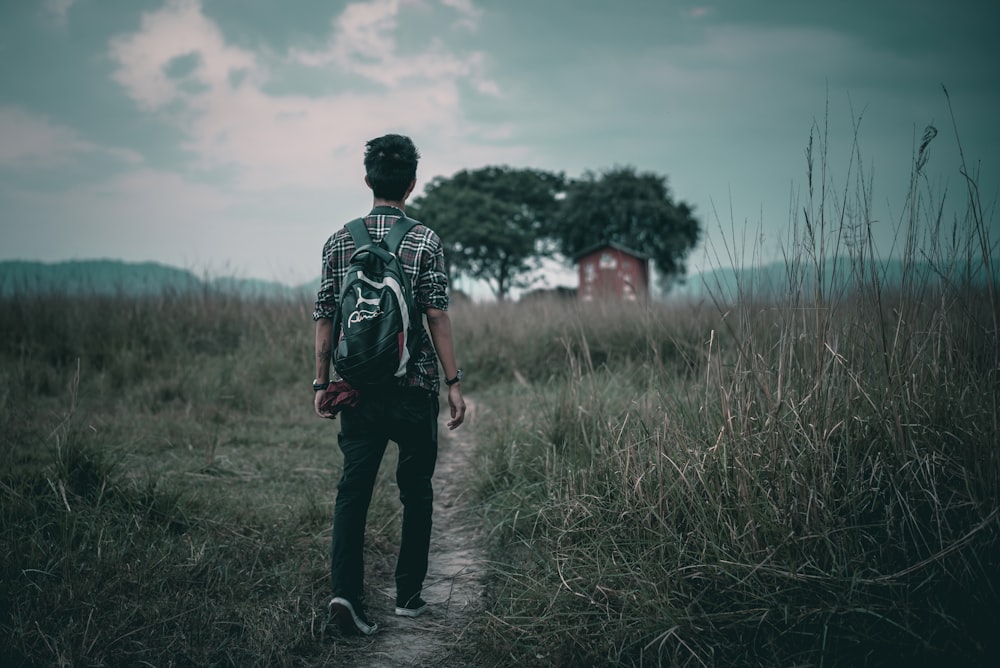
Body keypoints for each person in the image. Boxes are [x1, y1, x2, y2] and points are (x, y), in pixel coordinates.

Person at [312, 133, 466, 636]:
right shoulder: (423, 240)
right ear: (412, 183)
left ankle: (345, 597)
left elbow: (325, 319)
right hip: (413, 388)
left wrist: (320, 382)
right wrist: (453, 383)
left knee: (352, 491)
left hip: (355, 389)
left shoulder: (339, 241)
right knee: (416, 491)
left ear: (367, 180)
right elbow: (437, 314)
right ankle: (408, 596)